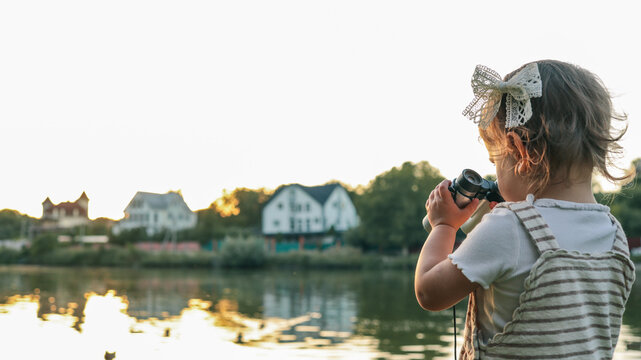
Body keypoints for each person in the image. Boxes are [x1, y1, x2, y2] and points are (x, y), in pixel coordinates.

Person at [414, 60, 636, 359]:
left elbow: (430, 292)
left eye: (496, 161)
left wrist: (444, 226)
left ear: (518, 149)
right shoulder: (613, 235)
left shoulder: (510, 227)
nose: (495, 172)